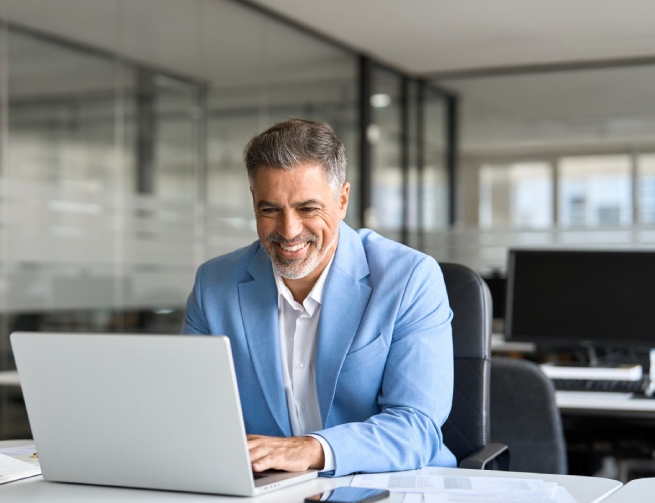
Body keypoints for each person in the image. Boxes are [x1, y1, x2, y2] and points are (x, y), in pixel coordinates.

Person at [182, 118, 456, 477]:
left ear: (341, 201)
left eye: (308, 209)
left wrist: (311, 450)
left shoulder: (409, 279)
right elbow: (190, 412)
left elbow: (417, 427)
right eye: (270, 210)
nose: (288, 230)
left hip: (389, 486)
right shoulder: (214, 284)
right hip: (263, 492)